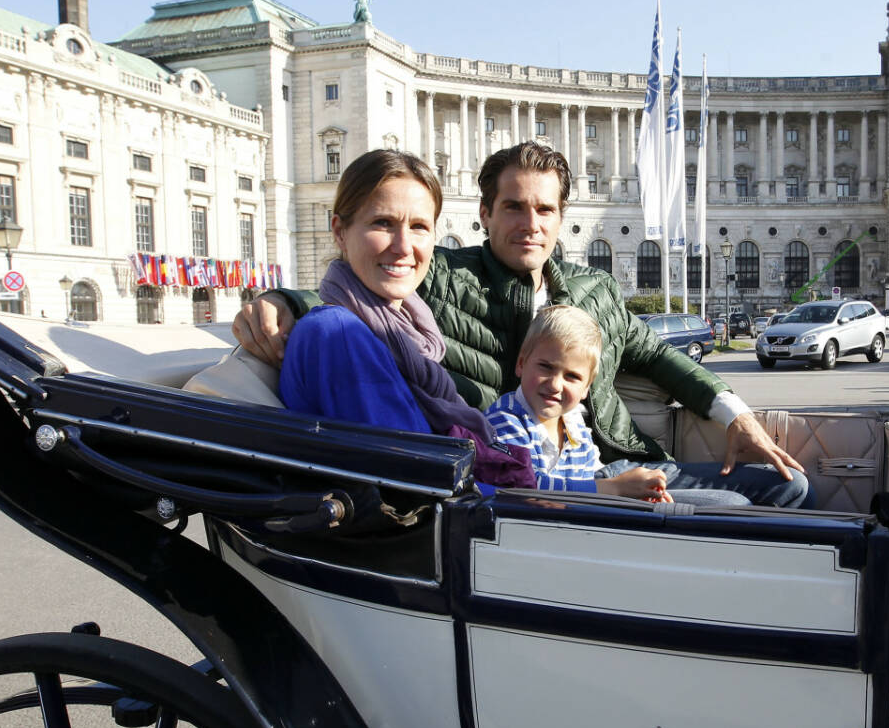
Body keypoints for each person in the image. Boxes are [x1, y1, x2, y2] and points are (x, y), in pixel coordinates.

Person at [236, 141, 810, 509]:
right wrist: (285, 301)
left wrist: (737, 416)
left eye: (544, 209)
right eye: (512, 206)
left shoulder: (598, 293)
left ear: (564, 218)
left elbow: (662, 358)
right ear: (484, 214)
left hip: (609, 459)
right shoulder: (441, 276)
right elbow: (368, 291)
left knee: (790, 484)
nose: (529, 223)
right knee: (733, 517)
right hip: (526, 484)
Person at [278, 149, 534, 490]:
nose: (403, 246)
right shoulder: (338, 334)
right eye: (383, 223)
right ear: (340, 231)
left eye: (418, 227)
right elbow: (413, 481)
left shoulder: (410, 333)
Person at [485, 305, 751, 505]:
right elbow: (524, 489)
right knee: (730, 505)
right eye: (545, 367)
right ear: (521, 364)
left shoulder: (573, 420)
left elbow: (592, 476)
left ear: (587, 387)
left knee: (734, 501)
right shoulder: (504, 422)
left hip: (584, 518)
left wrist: (633, 495)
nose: (555, 384)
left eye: (572, 377)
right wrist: (616, 489)